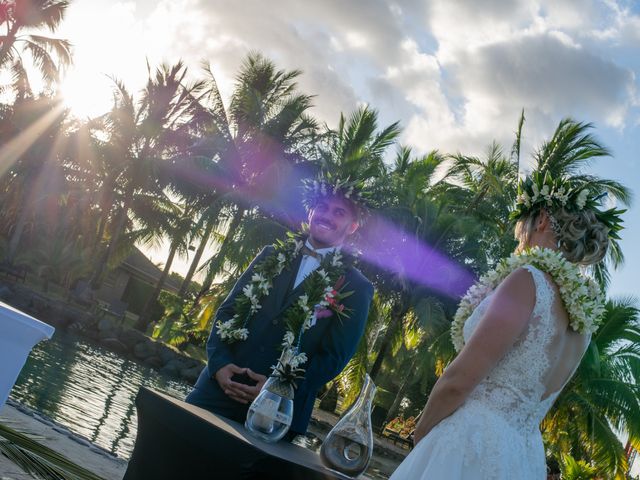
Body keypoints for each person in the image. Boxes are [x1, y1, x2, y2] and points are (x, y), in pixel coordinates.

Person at [390, 171, 624, 479]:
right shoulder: (583, 318)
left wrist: (422, 436)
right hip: (522, 456)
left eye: (522, 225)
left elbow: (460, 379)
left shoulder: (528, 280)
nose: (520, 236)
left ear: (541, 219)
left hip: (470, 441)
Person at [186, 175, 374, 440]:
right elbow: (226, 313)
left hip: (277, 413)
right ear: (311, 211)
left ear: (352, 226)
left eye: (339, 212)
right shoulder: (270, 254)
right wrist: (219, 364)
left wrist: (277, 388)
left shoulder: (357, 287)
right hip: (217, 389)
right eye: (321, 207)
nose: (326, 216)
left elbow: (333, 358)